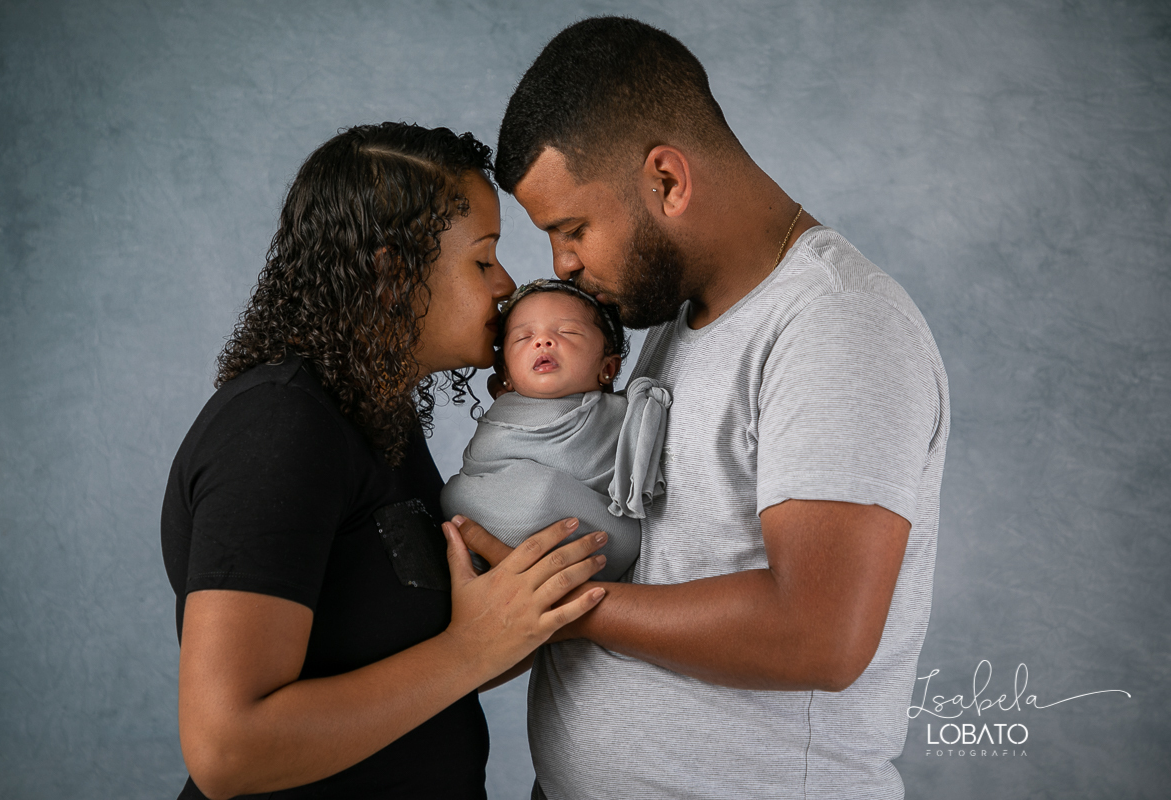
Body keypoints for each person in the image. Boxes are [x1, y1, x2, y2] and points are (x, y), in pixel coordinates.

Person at [455, 17, 951, 799]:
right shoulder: (678, 319)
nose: (560, 266)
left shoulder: (837, 325)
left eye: (572, 227)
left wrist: (559, 605)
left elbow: (818, 633)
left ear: (666, 181)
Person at [159, 122, 610, 800]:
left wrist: (523, 615)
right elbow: (228, 750)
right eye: (483, 259)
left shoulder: (375, 412)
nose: (507, 285)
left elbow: (406, 660)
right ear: (394, 274)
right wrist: (473, 649)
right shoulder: (279, 427)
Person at [441, 279, 671, 582]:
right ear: (506, 378)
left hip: (602, 549)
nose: (543, 341)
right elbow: (473, 482)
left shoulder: (626, 415)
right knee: (454, 493)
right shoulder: (501, 419)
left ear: (608, 369)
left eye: (567, 332)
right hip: (489, 549)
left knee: (618, 533)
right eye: (524, 337)